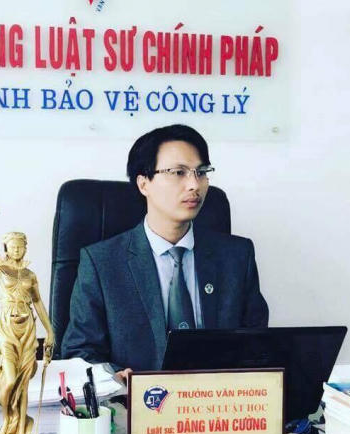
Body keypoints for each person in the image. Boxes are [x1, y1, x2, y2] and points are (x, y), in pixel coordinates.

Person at [61, 124, 268, 381]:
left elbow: (258, 346)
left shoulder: (237, 257)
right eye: (178, 172)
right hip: (136, 402)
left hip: (218, 400)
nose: (194, 185)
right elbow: (80, 353)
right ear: (144, 184)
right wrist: (113, 378)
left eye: (201, 172)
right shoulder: (102, 263)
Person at [0, 200, 54, 434]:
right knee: (10, 380)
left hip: (27, 328)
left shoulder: (30, 275)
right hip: (8, 327)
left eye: (21, 246)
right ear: (6, 248)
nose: (17, 250)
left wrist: (50, 331)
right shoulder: (2, 270)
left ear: (25, 248)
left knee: (24, 385)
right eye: (13, 246)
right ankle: (9, 423)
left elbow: (38, 303)